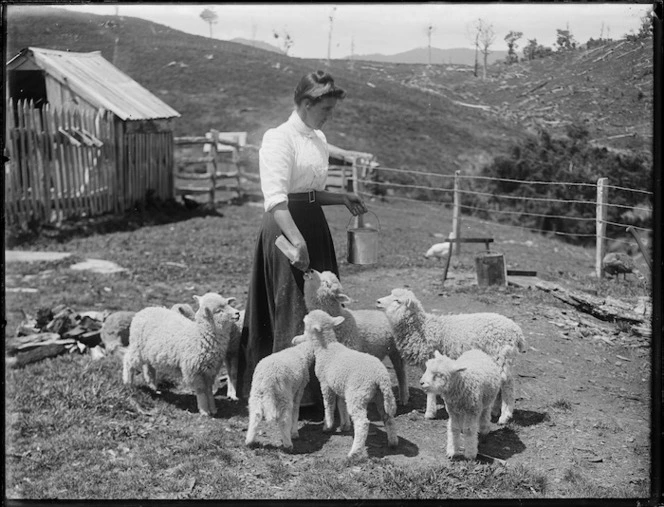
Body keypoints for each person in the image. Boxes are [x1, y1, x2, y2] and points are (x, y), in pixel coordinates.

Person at [236, 70, 366, 403]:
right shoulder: (279, 138)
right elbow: (278, 199)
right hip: (285, 226)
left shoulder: (317, 139)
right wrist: (296, 240)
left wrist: (341, 197)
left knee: (319, 305)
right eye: (326, 110)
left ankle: (318, 388)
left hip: (312, 224)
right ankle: (283, 390)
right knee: (291, 304)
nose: (330, 116)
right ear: (306, 104)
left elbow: (310, 192)